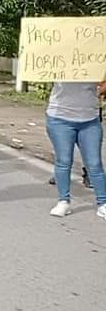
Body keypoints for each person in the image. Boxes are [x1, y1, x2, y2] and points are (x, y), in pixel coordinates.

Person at [46, 81, 106, 219]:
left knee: (95, 163)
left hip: (89, 119)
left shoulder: (96, 61)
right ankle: (63, 201)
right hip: (59, 117)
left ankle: (103, 203)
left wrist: (99, 91)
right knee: (64, 161)